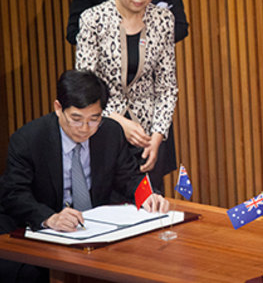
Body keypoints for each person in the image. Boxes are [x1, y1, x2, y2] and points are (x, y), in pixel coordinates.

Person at [0, 70, 169, 283]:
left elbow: (129, 176)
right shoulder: (29, 140)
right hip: (42, 230)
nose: (85, 129)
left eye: (94, 119)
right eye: (76, 119)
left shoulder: (110, 132)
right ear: (58, 108)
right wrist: (50, 218)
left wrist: (147, 195)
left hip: (93, 231)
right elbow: (14, 194)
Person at [76, 0, 178, 192]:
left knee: (150, 206)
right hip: (105, 130)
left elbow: (167, 87)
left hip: (148, 136)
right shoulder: (93, 20)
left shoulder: (163, 20)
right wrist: (119, 121)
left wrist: (157, 137)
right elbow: (85, 86)